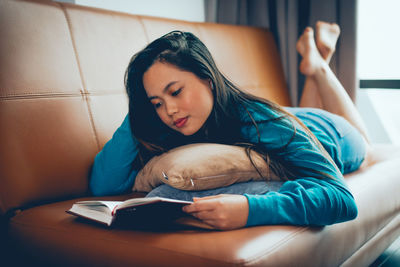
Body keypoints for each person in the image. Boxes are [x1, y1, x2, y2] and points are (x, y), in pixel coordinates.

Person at [90, 21, 372, 230]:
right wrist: (139, 109)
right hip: (288, 119)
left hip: (331, 132)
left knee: (365, 143)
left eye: (175, 92)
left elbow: (343, 200)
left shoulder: (260, 120)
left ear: (208, 79)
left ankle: (320, 67)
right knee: (292, 120)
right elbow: (103, 185)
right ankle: (314, 64)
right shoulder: (173, 123)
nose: (169, 110)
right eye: (157, 103)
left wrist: (251, 209)